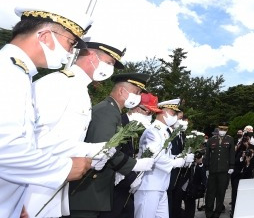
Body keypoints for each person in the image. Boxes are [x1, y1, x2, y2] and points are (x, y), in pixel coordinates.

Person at [0, 7, 93, 218]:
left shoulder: (19, 73)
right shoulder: (8, 73)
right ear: (44, 36)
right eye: (70, 43)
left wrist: (14, 204)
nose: (70, 53)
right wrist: (63, 168)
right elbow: (4, 148)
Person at [26, 39, 126, 218]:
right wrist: (90, 150)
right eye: (109, 63)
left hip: (52, 183)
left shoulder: (80, 89)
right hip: (32, 186)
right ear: (92, 56)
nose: (110, 69)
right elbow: (34, 138)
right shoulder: (59, 83)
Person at [69, 73, 156, 218]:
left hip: (94, 190)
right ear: (122, 91)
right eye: (137, 92)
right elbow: (104, 149)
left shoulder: (112, 111)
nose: (139, 97)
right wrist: (134, 165)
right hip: (87, 191)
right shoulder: (107, 112)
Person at [134, 98, 194, 218]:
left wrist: (181, 158)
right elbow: (154, 155)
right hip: (149, 185)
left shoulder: (165, 132)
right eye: (173, 113)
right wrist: (174, 162)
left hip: (161, 185)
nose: (175, 117)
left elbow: (165, 154)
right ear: (162, 112)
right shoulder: (153, 131)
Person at [104, 92, 161, 218]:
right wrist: (131, 176)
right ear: (136, 107)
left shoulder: (133, 127)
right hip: (112, 186)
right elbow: (113, 154)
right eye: (148, 112)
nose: (150, 116)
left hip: (125, 186)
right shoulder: (120, 123)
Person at [204, 125, 234, 218]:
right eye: (221, 129)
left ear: (227, 130)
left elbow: (232, 153)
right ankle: (208, 212)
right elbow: (207, 155)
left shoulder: (230, 139)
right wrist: (207, 168)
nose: (222, 131)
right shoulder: (212, 140)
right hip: (213, 170)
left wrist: (231, 166)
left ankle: (217, 212)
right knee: (210, 193)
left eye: (225, 130)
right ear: (218, 129)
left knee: (221, 193)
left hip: (224, 170)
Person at [182, 151, 207, 218]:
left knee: (191, 208)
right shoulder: (187, 163)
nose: (196, 158)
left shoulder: (199, 166)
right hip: (183, 187)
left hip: (192, 190)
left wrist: (200, 163)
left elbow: (203, 177)